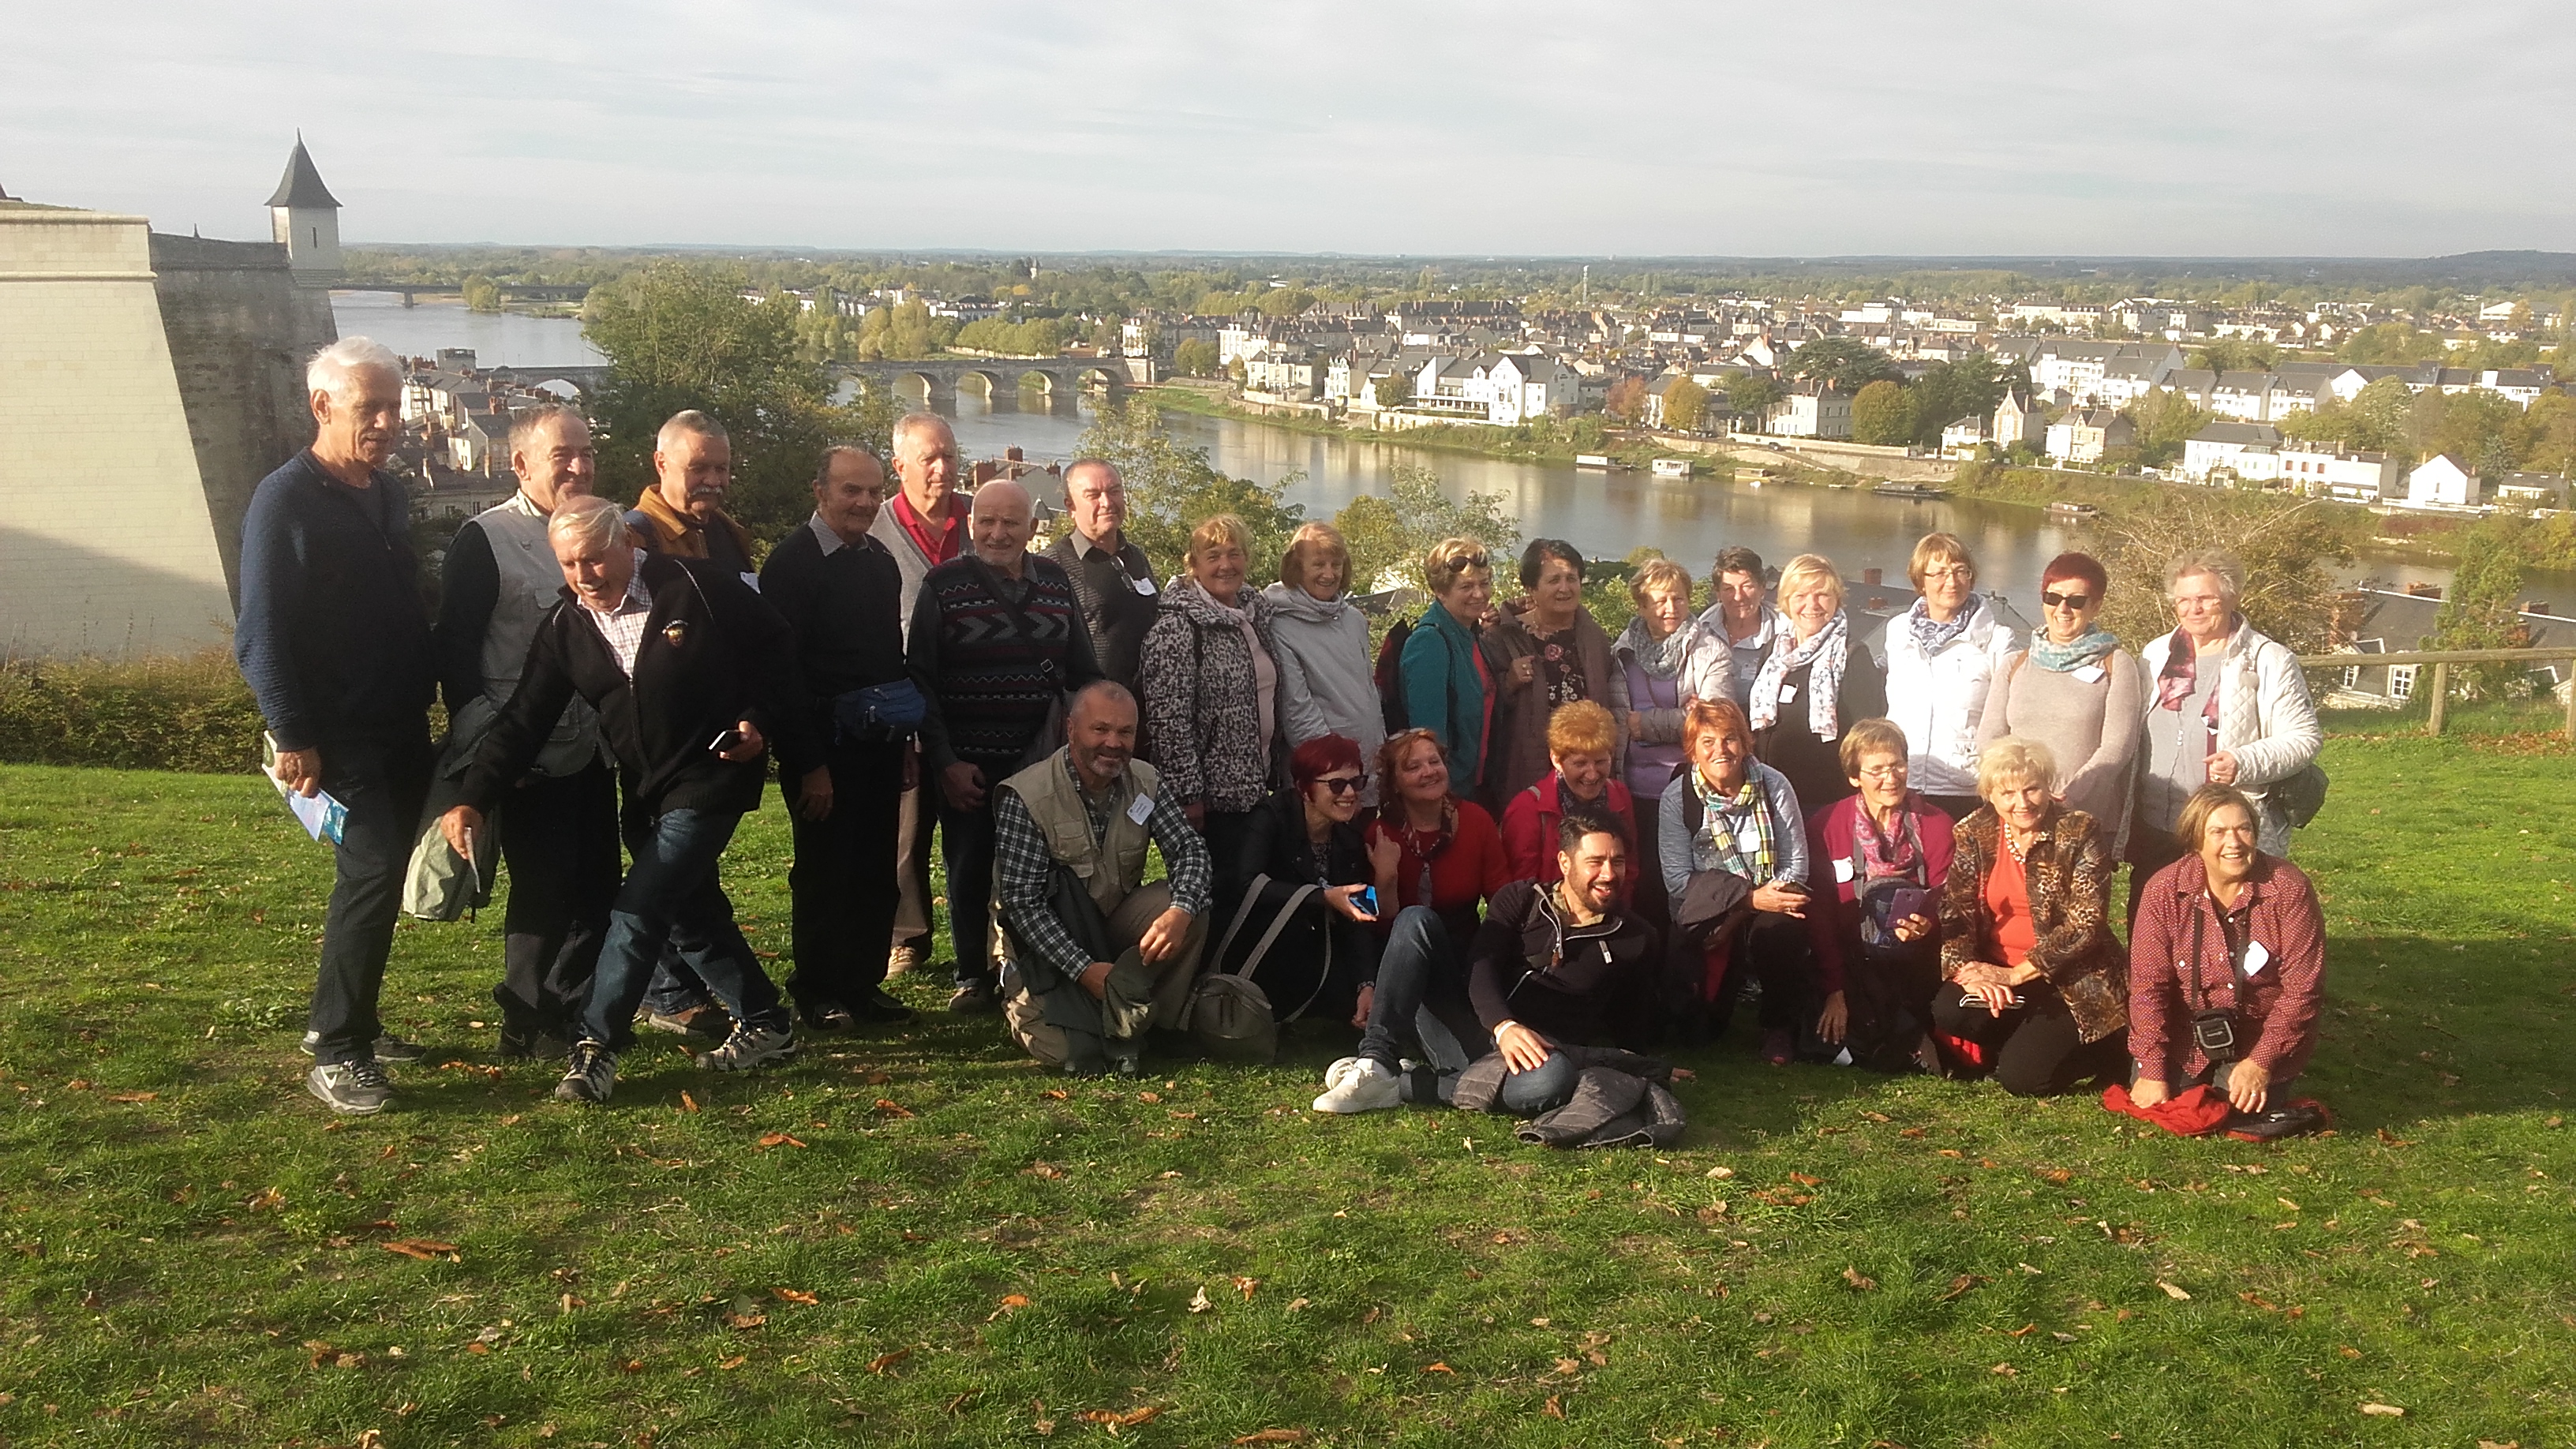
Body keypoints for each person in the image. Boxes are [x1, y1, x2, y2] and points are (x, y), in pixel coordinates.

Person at [437, 496, 814, 1105]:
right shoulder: (567, 624)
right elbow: (522, 721)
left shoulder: (694, 586)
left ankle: (596, 1048)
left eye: (594, 559)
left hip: (712, 775)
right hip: (643, 791)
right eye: (568, 565)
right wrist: (473, 799)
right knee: (691, 915)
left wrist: (758, 719)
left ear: (626, 546)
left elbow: (776, 645)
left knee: (638, 908)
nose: (585, 577)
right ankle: (767, 1022)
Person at [236, 337, 438, 1113]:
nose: (388, 421)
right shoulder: (284, 500)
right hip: (335, 732)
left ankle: (356, 1021)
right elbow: (262, 634)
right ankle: (338, 1047)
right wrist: (292, 735)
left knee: (381, 877)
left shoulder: (385, 493)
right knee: (372, 869)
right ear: (322, 406)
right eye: (370, 408)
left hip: (397, 720)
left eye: (395, 406)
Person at [432, 403, 619, 1059]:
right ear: (521, 465)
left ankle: (566, 1014)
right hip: (525, 750)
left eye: (586, 453)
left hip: (593, 746)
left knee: (599, 887)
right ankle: (523, 1017)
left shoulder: (606, 528)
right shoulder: (486, 540)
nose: (579, 465)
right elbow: (454, 648)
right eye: (562, 455)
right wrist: (488, 739)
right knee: (543, 889)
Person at [909, 478, 1103, 1014]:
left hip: (1040, 763)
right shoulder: (943, 585)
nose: (997, 533)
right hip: (968, 762)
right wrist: (945, 761)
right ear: (972, 525)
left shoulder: (1057, 583)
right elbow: (921, 678)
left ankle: (1033, 966)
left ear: (1032, 528)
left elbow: (1082, 671)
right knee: (969, 866)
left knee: (1040, 870)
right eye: (987, 522)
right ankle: (973, 974)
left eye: (1010, 523)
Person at [1313, 818, 1658, 1114]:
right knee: (1415, 919)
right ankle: (1375, 1062)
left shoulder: (1636, 937)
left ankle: (1407, 1083)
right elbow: (1481, 970)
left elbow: (1630, 1021)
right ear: (1565, 862)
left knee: (1553, 1082)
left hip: (1534, 1059)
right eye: (1595, 861)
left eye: (1618, 861)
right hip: (1469, 1027)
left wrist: (1645, 1067)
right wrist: (1504, 1026)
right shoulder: (1521, 899)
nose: (1609, 874)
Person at [758, 445, 915, 1032]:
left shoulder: (878, 561)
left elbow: (886, 662)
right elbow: (782, 677)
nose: (866, 503)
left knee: (876, 868)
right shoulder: (792, 566)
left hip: (878, 743)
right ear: (820, 491)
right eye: (853, 491)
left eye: (875, 492)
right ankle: (818, 987)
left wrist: (901, 743)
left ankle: (862, 983)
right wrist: (809, 764)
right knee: (826, 871)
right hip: (823, 748)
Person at [990, 682, 1211, 1075]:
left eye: (1125, 732)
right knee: (1070, 1055)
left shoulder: (1146, 781)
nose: (1114, 743)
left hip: (1110, 926)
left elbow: (1189, 851)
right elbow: (1023, 907)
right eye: (1101, 729)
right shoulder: (1026, 795)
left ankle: (1149, 1020)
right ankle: (1103, 1014)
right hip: (1043, 945)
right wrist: (1083, 970)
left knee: (1190, 905)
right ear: (1071, 729)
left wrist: (1180, 911)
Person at [1930, 737, 2128, 1096]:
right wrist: (1968, 972)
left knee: (2025, 1080)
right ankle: (2029, 1043)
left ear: (2048, 787)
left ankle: (2109, 1049)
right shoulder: (1974, 832)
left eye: (2032, 789)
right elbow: (1954, 910)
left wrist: (2015, 974)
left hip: (2072, 977)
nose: (2022, 803)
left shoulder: (2079, 830)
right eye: (2008, 793)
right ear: (1990, 793)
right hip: (2002, 969)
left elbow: (2086, 924)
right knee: (1950, 1008)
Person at [2125, 784, 2328, 1129]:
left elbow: (2303, 990)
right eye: (2217, 832)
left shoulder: (2288, 888)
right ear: (2195, 841)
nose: (2233, 843)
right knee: (2171, 1105)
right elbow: (2148, 986)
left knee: (2236, 1110)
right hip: (2184, 1036)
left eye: (2243, 829)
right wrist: (2152, 1068)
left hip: (2259, 1035)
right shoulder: (2163, 889)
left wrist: (2260, 1063)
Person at [2132, 549, 2323, 915]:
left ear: (2232, 597)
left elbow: (2304, 738)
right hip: (2156, 824)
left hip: (2222, 829)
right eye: (2184, 600)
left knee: (2223, 924)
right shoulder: (2157, 654)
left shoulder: (2268, 659)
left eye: (2205, 598)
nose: (2193, 609)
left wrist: (2242, 761)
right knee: (2152, 924)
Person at [1658, 698, 1816, 1064]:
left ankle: (1778, 1026)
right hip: (1708, 910)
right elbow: (1679, 883)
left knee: (1779, 928)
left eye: (1730, 739)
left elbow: (1796, 866)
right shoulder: (1676, 798)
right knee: (1698, 1036)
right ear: (1692, 750)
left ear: (1745, 743)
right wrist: (1743, 903)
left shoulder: (1775, 786)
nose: (1721, 750)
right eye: (1708, 742)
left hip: (1769, 901)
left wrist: (1748, 908)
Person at [1138, 514, 1282, 905]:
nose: (1225, 565)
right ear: (1193, 564)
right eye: (1213, 555)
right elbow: (1168, 721)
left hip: (1260, 787)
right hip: (1212, 800)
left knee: (1252, 892)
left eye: (1234, 554)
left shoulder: (1256, 614)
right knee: (1214, 896)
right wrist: (1187, 796)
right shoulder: (1178, 627)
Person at [871, 412, 969, 979]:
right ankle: (906, 936)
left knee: (977, 827)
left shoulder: (980, 522)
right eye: (929, 458)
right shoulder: (878, 530)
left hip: (971, 706)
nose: (941, 469)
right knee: (906, 831)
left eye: (949, 456)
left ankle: (982, 931)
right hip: (904, 707)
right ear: (900, 464)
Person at [1803, 718, 1955, 1073]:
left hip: (1915, 954)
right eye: (1877, 770)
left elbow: (1949, 896)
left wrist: (1927, 924)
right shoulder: (1827, 824)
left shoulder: (1936, 824)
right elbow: (1822, 913)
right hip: (1848, 953)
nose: (1891, 778)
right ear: (1854, 777)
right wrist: (1834, 990)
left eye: (1897, 765)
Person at [1977, 552, 2144, 851]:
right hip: (2017, 815)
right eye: (2053, 598)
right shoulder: (2015, 663)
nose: (2063, 609)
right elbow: (1989, 737)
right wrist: (2012, 794)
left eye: (2076, 601)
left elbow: (2118, 748)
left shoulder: (2116, 664)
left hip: (2082, 819)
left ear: (2096, 606)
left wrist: (2070, 795)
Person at [1219, 734, 1382, 1028]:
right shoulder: (1269, 817)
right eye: (1336, 784)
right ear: (1305, 789)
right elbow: (1246, 884)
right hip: (1259, 943)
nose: (1349, 793)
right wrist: (1322, 897)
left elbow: (1363, 915)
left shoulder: (1351, 837)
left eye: (1357, 783)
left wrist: (1366, 984)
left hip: (1314, 944)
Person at [1612, 556, 1733, 923]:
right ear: (1641, 604)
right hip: (1629, 785)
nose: (1671, 608)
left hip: (1687, 787)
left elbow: (1714, 723)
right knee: (1637, 878)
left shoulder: (1711, 651)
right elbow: (1615, 719)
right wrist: (1683, 716)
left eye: (1679, 599)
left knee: (1679, 881)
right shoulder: (1621, 652)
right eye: (1660, 600)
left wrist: (1645, 725)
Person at [1479, 538, 1628, 810]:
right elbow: (1482, 709)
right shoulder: (1502, 637)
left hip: (1588, 771)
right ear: (1531, 588)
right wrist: (1509, 682)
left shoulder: (1593, 636)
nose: (1564, 588)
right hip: (1529, 768)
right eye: (1554, 580)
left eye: (1571, 578)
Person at [1879, 533, 2019, 819]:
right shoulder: (1897, 631)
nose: (1952, 582)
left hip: (1964, 789)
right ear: (1921, 581)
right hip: (1901, 782)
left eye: (1960, 571)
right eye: (1940, 573)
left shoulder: (1998, 640)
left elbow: (2010, 717)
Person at [1749, 552, 1888, 813]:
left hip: (1828, 802)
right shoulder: (1772, 653)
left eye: (1822, 595)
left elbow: (1868, 739)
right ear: (1786, 601)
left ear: (1837, 599)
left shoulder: (1853, 656)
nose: (1811, 604)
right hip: (1771, 798)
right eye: (1800, 595)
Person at [1262, 522, 1389, 804]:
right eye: (1318, 564)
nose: (1329, 574)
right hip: (1326, 781)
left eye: (1337, 564)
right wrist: (1338, 778)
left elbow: (1366, 692)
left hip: (1365, 771)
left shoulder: (1353, 619)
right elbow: (1297, 712)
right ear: (1297, 567)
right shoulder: (1281, 625)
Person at [1363, 728, 1514, 956]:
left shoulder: (1476, 820)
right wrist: (1386, 880)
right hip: (1401, 956)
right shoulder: (1380, 835)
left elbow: (1500, 897)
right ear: (1394, 783)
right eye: (1413, 767)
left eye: (1435, 762)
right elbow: (1374, 925)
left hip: (1464, 949)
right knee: (1413, 919)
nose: (1428, 772)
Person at [1043, 458, 1159, 690]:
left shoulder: (1136, 556)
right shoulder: (1052, 567)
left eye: (1114, 491)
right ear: (1070, 507)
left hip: (1148, 708)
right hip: (1092, 713)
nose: (1107, 502)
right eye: (1093, 495)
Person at [1500, 701, 1638, 886]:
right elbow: (1520, 890)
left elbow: (1629, 868)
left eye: (1600, 762)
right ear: (1556, 760)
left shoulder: (1619, 795)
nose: (1592, 774)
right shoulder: (1527, 809)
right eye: (1580, 764)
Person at [1398, 538, 1498, 794]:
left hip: (1474, 782)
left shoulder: (1468, 632)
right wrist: (1442, 800)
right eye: (1466, 586)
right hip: (1446, 790)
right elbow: (1428, 738)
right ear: (1441, 592)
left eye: (1484, 583)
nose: (1479, 594)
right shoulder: (1430, 642)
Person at [623, 410, 756, 582]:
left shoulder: (732, 532)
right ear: (661, 464)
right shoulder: (633, 540)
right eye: (698, 469)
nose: (713, 481)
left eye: (721, 468)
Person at [1698, 546, 1777, 710]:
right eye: (1728, 589)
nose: (1738, 596)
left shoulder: (1786, 633)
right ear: (1718, 593)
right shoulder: (1700, 632)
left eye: (1747, 586)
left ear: (1762, 588)